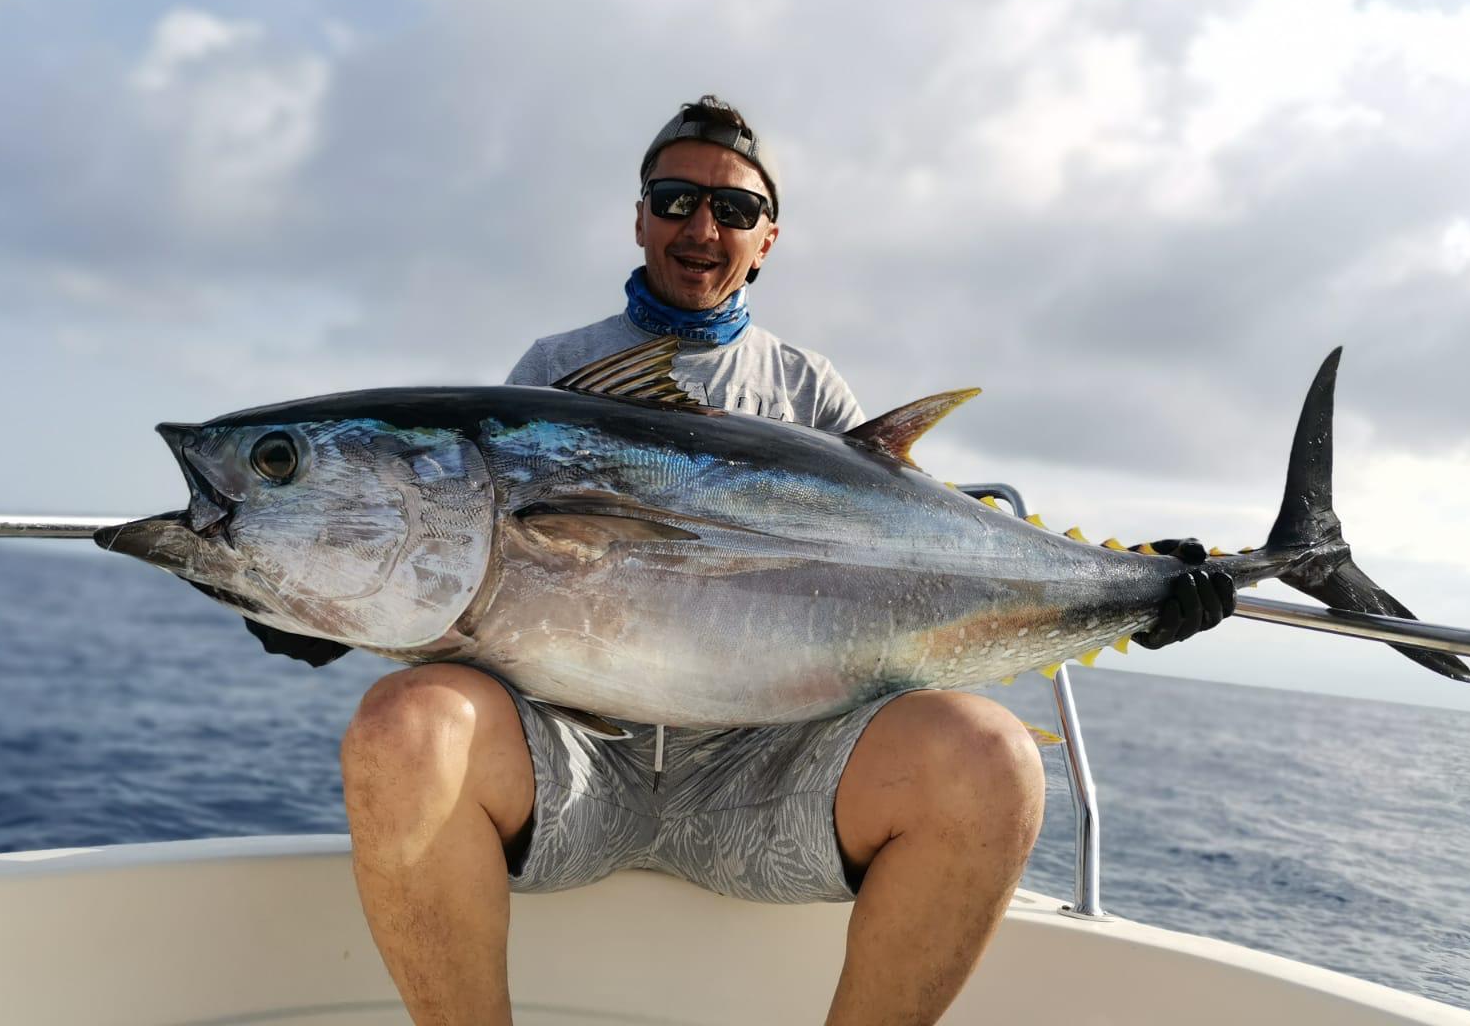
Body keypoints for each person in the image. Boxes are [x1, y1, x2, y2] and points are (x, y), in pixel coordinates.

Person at [325, 95, 1235, 1025]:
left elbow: (909, 567)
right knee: (404, 724)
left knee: (993, 758)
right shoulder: (553, 369)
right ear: (639, 216)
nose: (701, 226)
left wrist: (1137, 588)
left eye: (735, 210)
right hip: (573, 771)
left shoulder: (809, 389)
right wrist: (347, 607)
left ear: (767, 240)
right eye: (676, 199)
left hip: (763, 781)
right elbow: (483, 571)